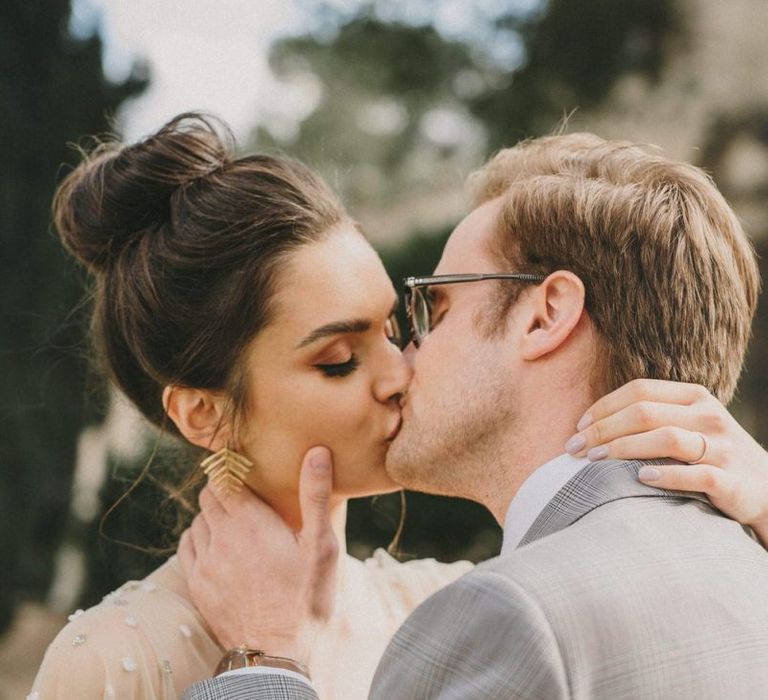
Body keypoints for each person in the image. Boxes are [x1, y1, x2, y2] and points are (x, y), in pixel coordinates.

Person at [28, 116, 765, 700]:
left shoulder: (461, 607)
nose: (401, 370)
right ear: (201, 414)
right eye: (339, 360)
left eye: (403, 325)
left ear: (547, 319)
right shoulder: (110, 660)